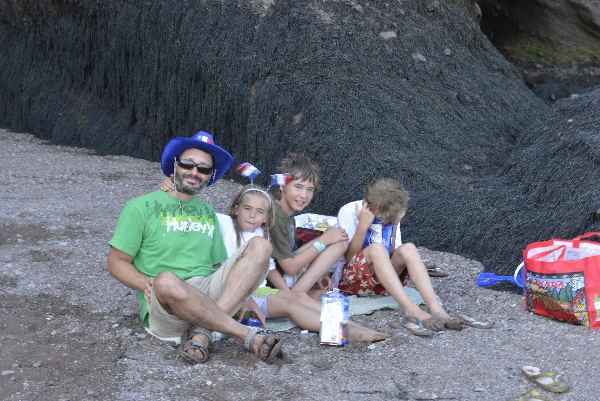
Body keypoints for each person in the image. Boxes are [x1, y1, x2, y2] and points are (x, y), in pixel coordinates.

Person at [107, 131, 283, 365]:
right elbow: (116, 261)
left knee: (261, 245)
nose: (194, 172)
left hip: (207, 295)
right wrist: (144, 283)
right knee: (167, 279)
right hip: (168, 305)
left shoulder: (208, 211)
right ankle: (246, 336)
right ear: (175, 165)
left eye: (203, 168)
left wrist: (243, 294)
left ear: (210, 176)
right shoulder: (140, 207)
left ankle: (202, 334)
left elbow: (219, 265)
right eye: (188, 164)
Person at [216, 184, 389, 342]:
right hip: (240, 294)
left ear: (266, 217)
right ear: (236, 209)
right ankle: (345, 332)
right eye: (247, 209)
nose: (252, 215)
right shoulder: (225, 224)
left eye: (259, 212)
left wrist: (287, 292)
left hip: (261, 290)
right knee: (291, 305)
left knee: (298, 297)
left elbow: (269, 269)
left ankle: (354, 326)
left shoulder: (262, 233)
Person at [337, 177, 463, 336]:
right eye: (378, 216)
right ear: (367, 203)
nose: (381, 220)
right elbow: (348, 258)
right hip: (353, 283)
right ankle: (411, 310)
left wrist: (395, 224)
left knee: (408, 248)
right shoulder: (349, 211)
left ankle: (436, 308)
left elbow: (393, 252)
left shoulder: (391, 213)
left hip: (385, 282)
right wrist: (363, 226)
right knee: (377, 249)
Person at [269, 155, 349, 300]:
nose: (304, 195)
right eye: (298, 187)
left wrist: (316, 271)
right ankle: (295, 297)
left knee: (339, 239)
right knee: (335, 241)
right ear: (282, 186)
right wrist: (324, 240)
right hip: (270, 281)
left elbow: (288, 253)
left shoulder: (286, 212)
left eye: (310, 190)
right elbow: (290, 268)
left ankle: (301, 290)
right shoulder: (275, 215)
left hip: (279, 270)